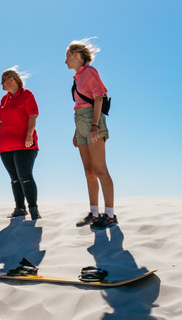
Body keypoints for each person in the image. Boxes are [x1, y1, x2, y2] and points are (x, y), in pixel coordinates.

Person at [65, 38, 116, 229]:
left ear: (76, 55)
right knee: (89, 172)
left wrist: (94, 125)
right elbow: (80, 106)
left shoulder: (90, 72)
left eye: (67, 57)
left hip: (92, 122)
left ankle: (110, 215)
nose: (66, 61)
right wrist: (76, 132)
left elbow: (98, 98)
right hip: (81, 123)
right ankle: (94, 214)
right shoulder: (77, 77)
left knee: (100, 170)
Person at [0, 66, 41, 220]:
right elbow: (0, 122)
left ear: (12, 79)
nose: (1, 84)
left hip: (24, 145)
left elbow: (33, 116)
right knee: (14, 178)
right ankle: (20, 208)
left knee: (25, 176)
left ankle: (33, 209)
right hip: (5, 146)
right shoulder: (4, 99)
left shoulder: (27, 95)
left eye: (3, 80)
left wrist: (29, 135)